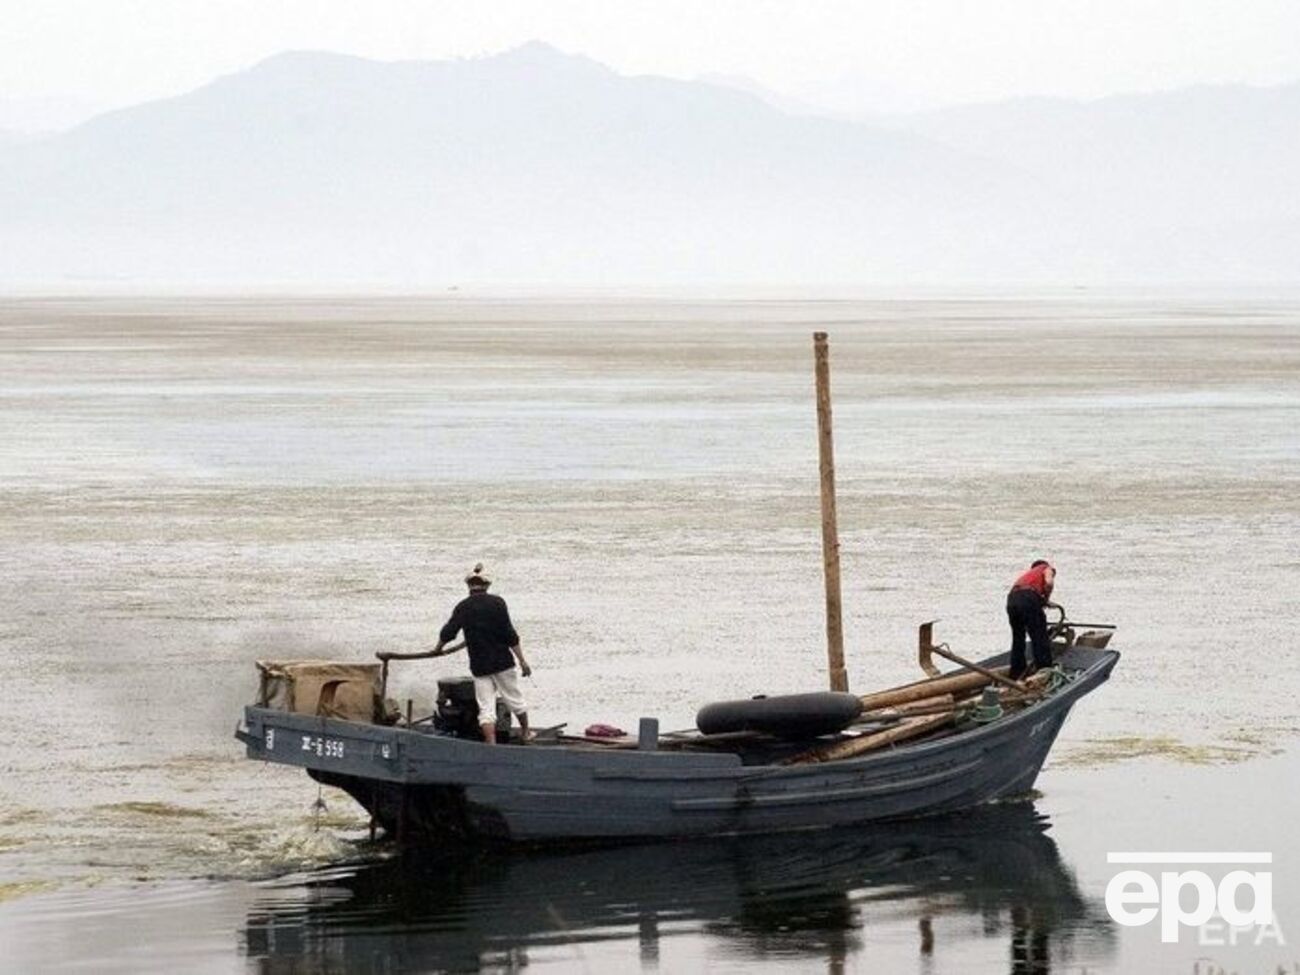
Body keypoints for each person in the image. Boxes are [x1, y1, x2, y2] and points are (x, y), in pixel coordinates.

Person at [433, 563, 532, 744]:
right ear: (487, 586)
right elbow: (510, 635)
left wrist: (438, 648)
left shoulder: (463, 607)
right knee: (515, 699)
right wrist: (523, 661)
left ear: (469, 586)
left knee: (486, 708)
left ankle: (491, 744)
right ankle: (526, 733)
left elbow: (449, 632)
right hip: (503, 662)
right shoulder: (498, 603)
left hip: (480, 666)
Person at [1006, 559, 1057, 680]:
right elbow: (1049, 583)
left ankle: (1016, 672)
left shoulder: (1026, 576)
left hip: (1012, 599)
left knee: (1018, 638)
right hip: (1028, 597)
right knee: (1039, 635)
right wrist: (1046, 599)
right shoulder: (1046, 568)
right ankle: (1044, 670)